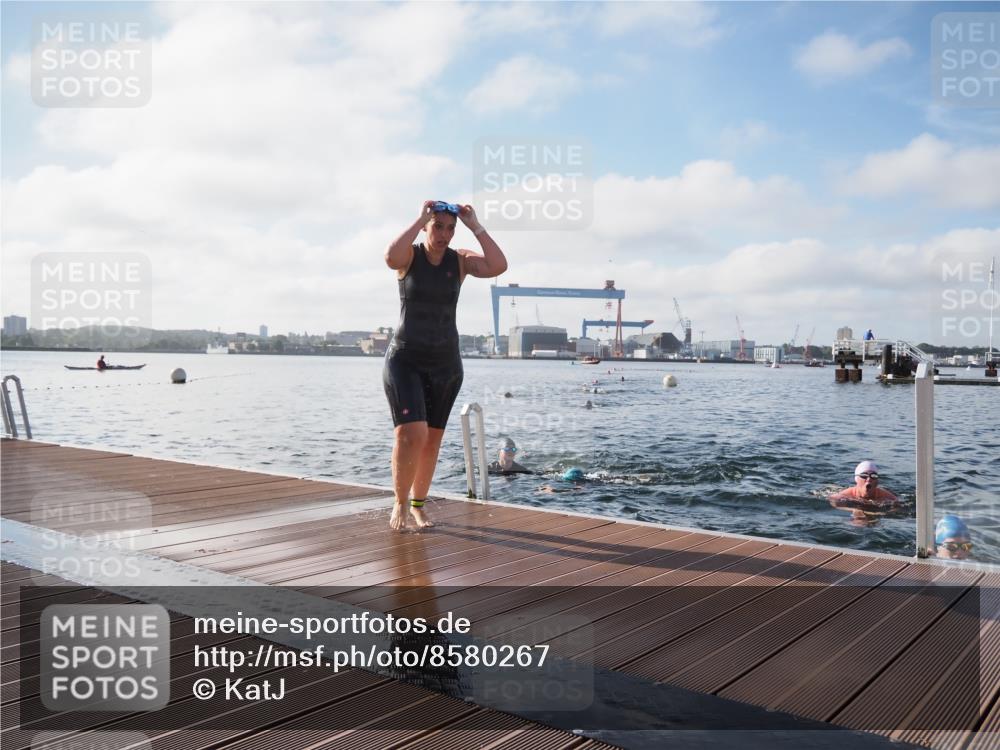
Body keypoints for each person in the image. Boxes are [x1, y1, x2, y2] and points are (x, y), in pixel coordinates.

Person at [383, 200, 508, 531]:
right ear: (426, 226)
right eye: (437, 226)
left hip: (445, 363)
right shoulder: (410, 256)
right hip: (406, 359)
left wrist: (475, 226)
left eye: (450, 228)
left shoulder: (460, 260)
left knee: (432, 440)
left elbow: (498, 265)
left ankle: (418, 505)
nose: (444, 234)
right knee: (411, 434)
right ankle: (400, 502)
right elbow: (390, 257)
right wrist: (419, 219)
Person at [829, 460, 903, 516]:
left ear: (877, 481)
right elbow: (833, 501)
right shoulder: (847, 495)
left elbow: (898, 507)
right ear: (857, 479)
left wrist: (882, 513)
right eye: (864, 476)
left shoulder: (885, 496)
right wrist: (854, 509)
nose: (869, 479)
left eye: (873, 476)